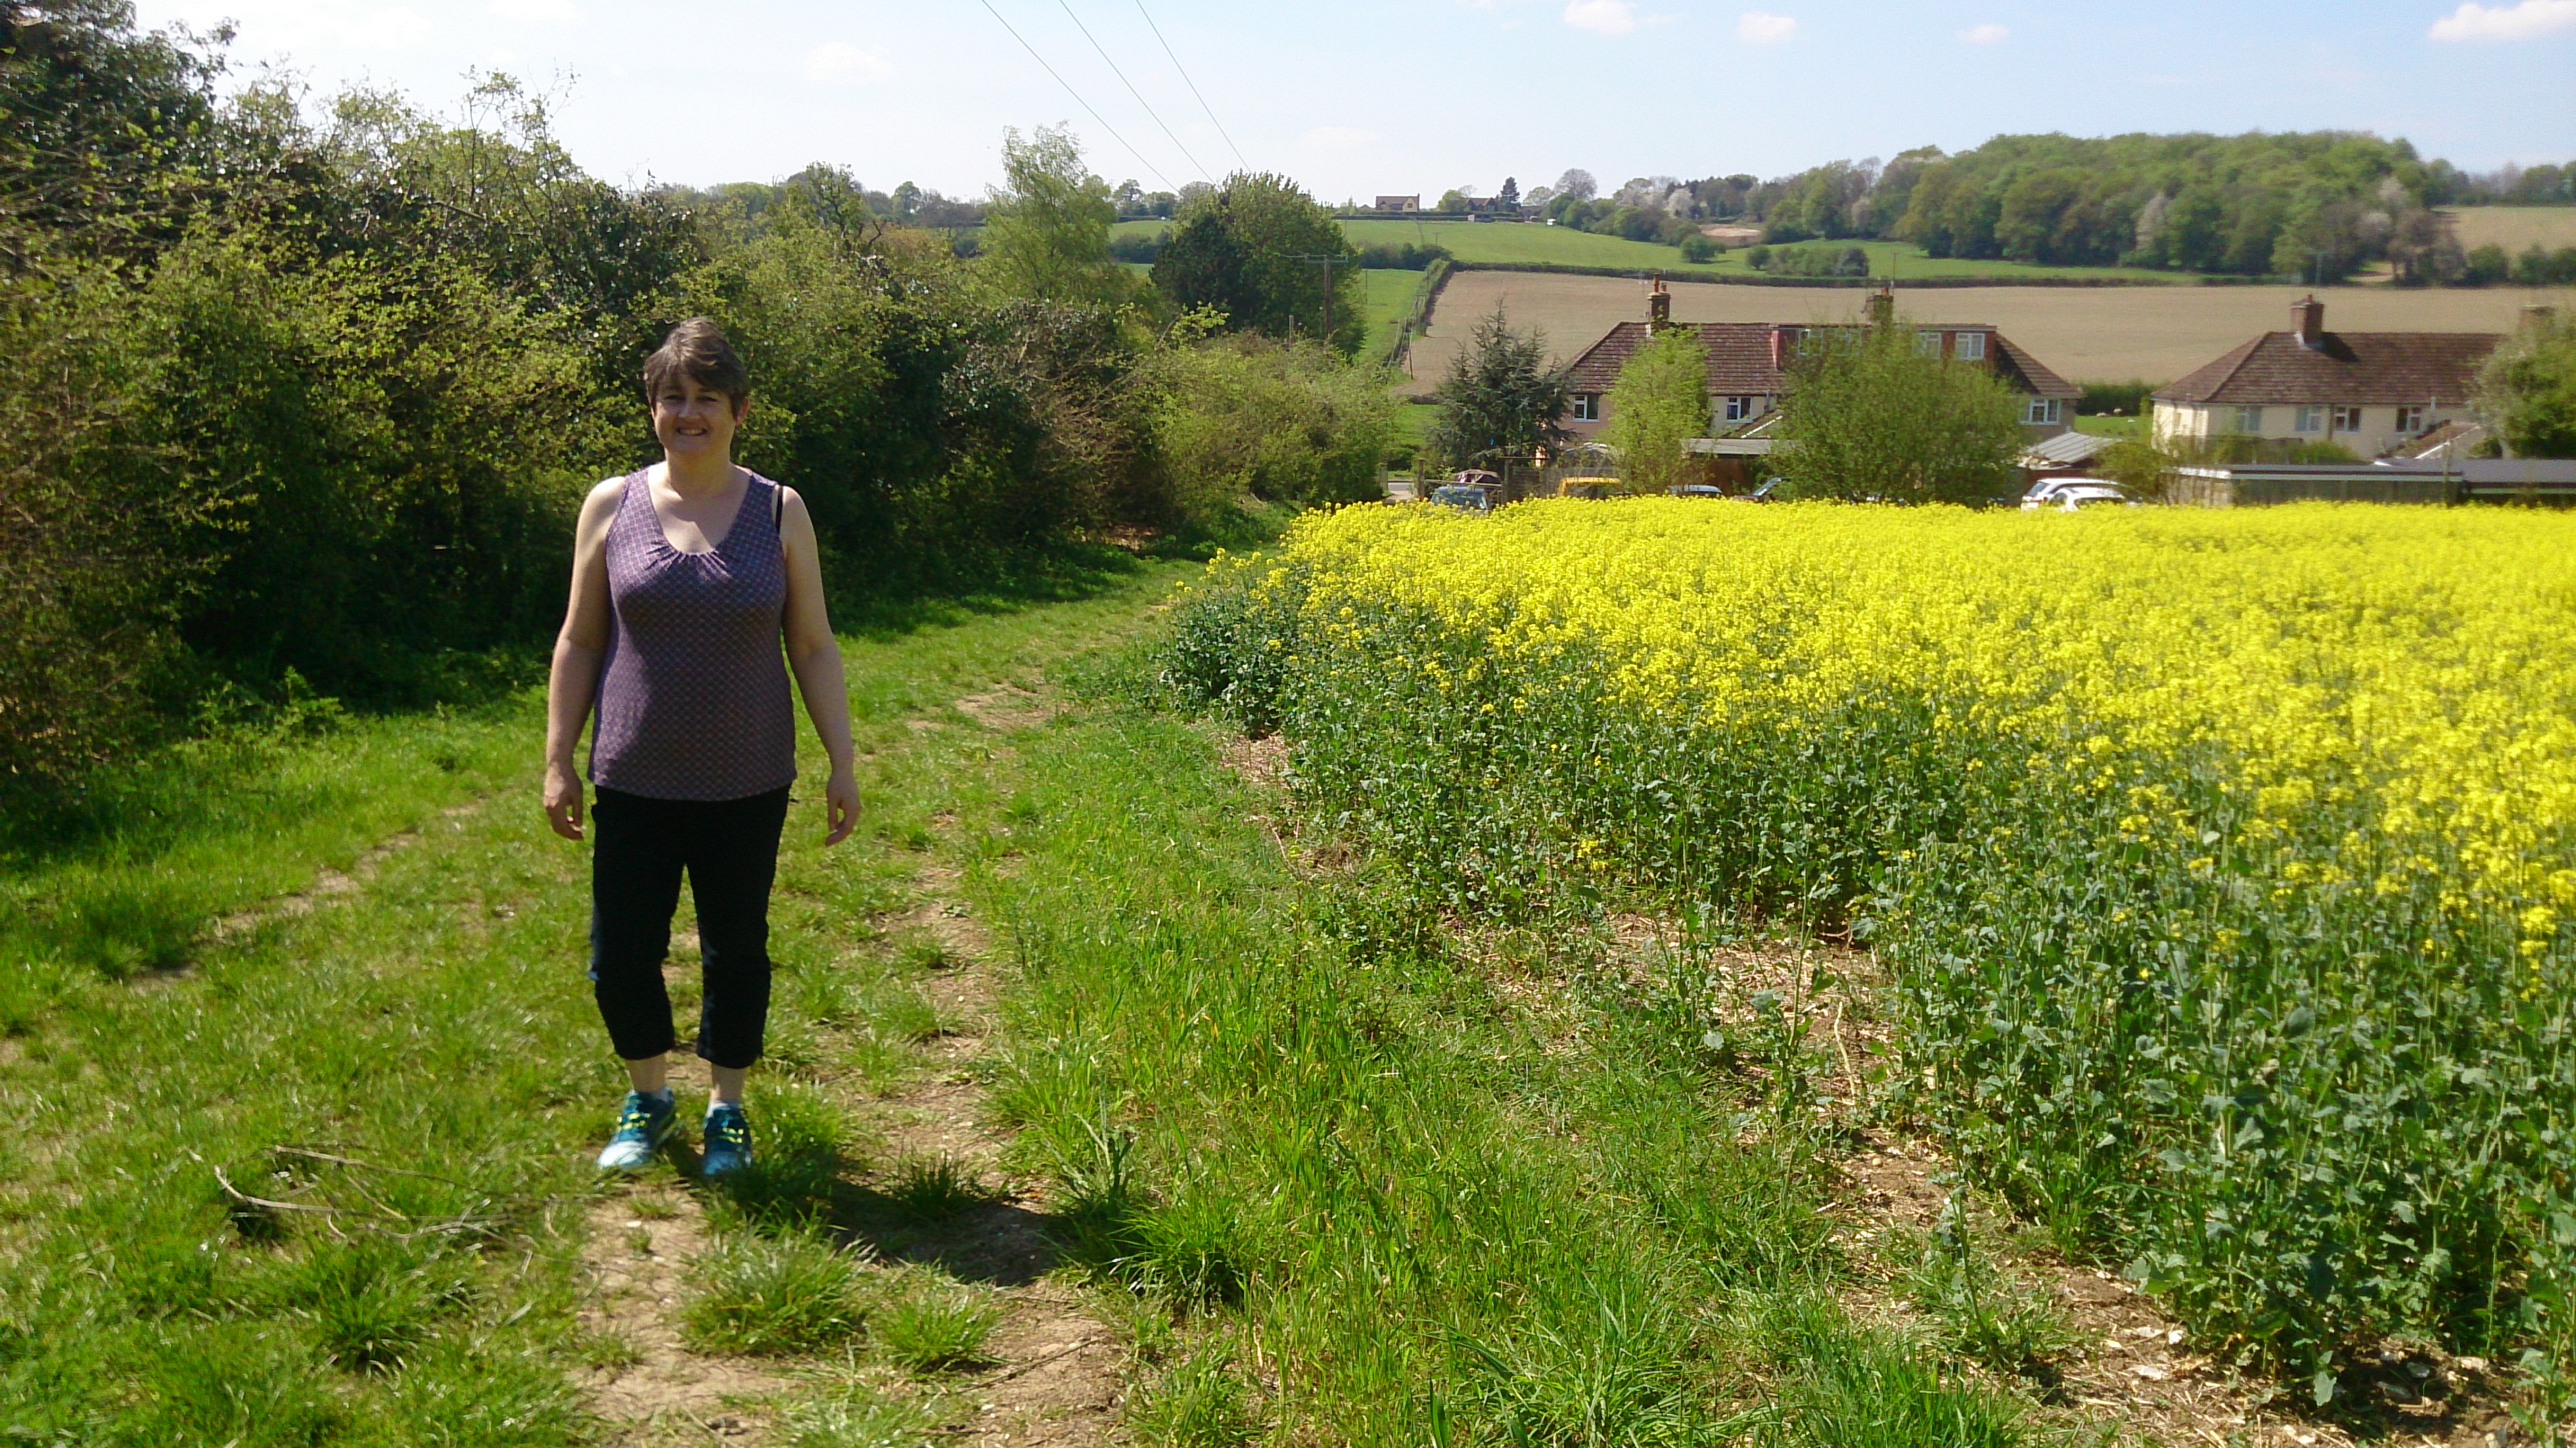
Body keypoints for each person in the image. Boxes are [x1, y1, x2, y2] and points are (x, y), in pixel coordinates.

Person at [542, 317, 860, 1177]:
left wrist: (842, 762)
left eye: (707, 399)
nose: (689, 414)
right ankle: (648, 1097)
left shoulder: (780, 510)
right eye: (672, 397)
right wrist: (558, 758)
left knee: (736, 951)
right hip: (634, 776)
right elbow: (579, 640)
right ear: (652, 408)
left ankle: (727, 1109)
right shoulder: (610, 505)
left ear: (739, 411)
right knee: (620, 956)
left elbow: (813, 645)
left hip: (746, 778)